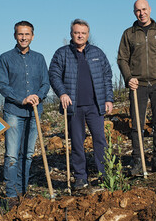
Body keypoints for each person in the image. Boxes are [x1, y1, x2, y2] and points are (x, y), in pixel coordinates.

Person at [49, 19, 114, 189]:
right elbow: (54, 75)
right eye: (77, 32)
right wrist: (62, 93)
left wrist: (109, 98)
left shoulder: (97, 53)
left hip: (95, 105)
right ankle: (80, 177)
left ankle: (104, 174)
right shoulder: (62, 53)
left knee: (100, 140)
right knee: (77, 142)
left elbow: (107, 75)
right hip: (73, 107)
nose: (80, 35)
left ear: (88, 35)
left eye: (83, 33)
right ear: (71, 34)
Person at [0, 21, 50, 205]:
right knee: (12, 154)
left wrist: (38, 96)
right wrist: (22, 99)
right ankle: (11, 195)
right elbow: (2, 85)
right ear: (15, 36)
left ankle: (23, 190)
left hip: (34, 111)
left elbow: (45, 83)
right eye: (20, 34)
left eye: (27, 34)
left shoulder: (39, 58)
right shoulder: (5, 58)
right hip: (14, 111)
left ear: (33, 36)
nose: (24, 37)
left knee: (27, 154)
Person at [117, 0, 156, 175]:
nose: (141, 13)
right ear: (134, 13)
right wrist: (128, 77)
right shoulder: (129, 34)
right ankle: (138, 162)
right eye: (138, 10)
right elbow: (122, 58)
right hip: (137, 85)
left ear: (150, 9)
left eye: (144, 9)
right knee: (137, 125)